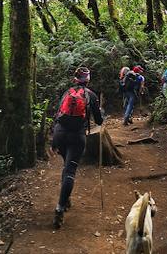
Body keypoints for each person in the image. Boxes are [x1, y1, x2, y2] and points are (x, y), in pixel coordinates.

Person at [51, 66, 103, 229]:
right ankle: (60, 207)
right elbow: (99, 121)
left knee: (66, 167)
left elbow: (58, 114)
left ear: (74, 79)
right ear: (87, 80)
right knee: (70, 171)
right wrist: (101, 111)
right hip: (77, 137)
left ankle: (65, 200)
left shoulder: (67, 93)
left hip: (60, 134)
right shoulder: (91, 95)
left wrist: (53, 138)